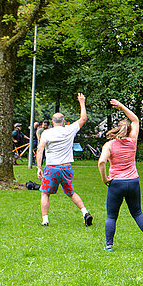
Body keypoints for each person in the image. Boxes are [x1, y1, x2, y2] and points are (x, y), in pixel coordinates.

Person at [98, 99, 143, 251]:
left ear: (117, 129)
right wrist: (122, 106)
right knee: (137, 212)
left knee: (112, 216)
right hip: (133, 182)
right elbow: (135, 119)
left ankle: (109, 245)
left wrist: (105, 179)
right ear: (129, 130)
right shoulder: (132, 141)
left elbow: (101, 162)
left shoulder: (109, 145)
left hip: (116, 183)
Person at [36, 93, 92, 227]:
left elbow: (40, 150)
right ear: (63, 121)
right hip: (66, 167)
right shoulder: (69, 130)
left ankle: (45, 220)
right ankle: (85, 212)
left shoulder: (47, 133)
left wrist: (39, 167)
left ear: (52, 121)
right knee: (71, 192)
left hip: (51, 168)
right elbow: (83, 118)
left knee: (45, 193)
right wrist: (82, 102)